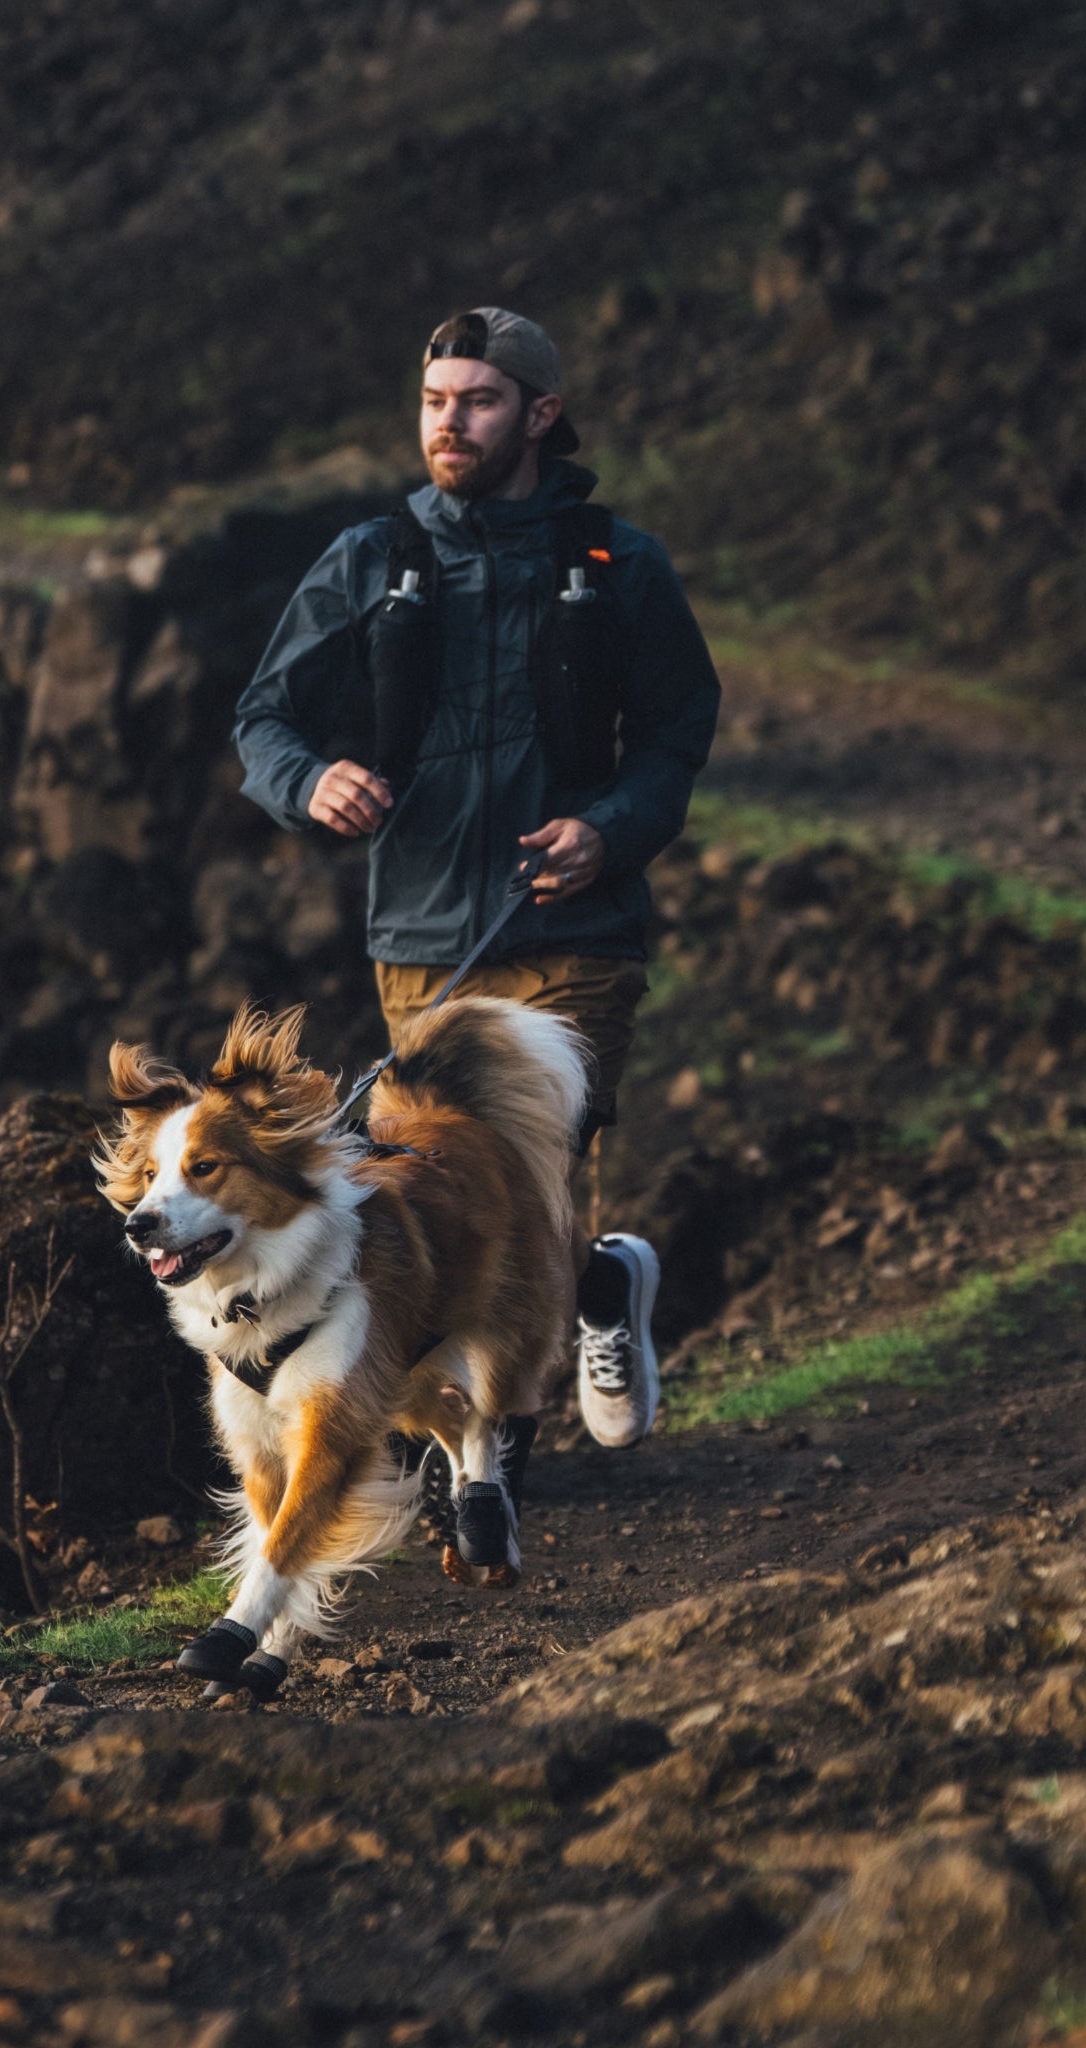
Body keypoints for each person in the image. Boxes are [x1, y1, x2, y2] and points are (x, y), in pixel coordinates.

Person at [232, 305, 720, 1463]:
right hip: (418, 933)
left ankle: (508, 1426)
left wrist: (608, 829)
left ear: (539, 414)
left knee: (528, 1161)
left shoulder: (617, 565)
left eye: (478, 401)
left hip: (575, 926)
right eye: (433, 401)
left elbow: (673, 729)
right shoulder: (369, 557)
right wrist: (310, 781)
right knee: (450, 1187)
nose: (447, 424)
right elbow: (264, 720)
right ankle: (598, 1288)